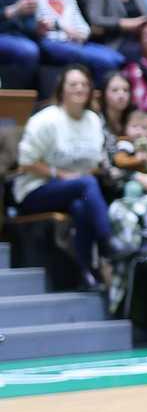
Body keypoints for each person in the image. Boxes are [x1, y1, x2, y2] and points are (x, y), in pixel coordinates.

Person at [13, 63, 110, 285]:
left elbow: (93, 163)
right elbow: (25, 162)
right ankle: (107, 242)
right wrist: (60, 174)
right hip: (35, 189)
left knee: (80, 206)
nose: (79, 89)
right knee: (86, 185)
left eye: (84, 84)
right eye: (73, 84)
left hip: (76, 191)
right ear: (62, 89)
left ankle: (83, 272)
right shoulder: (46, 119)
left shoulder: (94, 120)